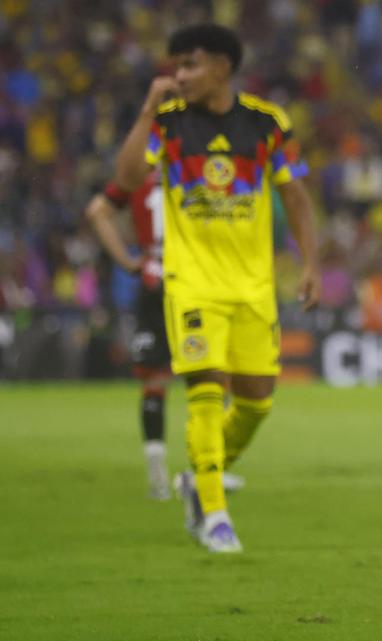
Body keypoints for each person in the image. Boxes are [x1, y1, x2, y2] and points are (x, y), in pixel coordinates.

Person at [112, 23, 320, 553]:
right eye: (176, 66)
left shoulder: (266, 124)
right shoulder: (168, 124)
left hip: (253, 287)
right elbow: (130, 177)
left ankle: (199, 478)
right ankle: (215, 515)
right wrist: (145, 110)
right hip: (192, 284)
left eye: (190, 64)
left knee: (256, 403)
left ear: (223, 66)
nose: (178, 76)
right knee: (206, 392)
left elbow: (296, 197)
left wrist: (311, 263)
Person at [85, 175, 248, 501]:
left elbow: (97, 212)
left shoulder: (137, 178)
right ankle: (212, 468)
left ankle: (157, 477)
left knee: (154, 382)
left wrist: (129, 259)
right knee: (210, 375)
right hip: (191, 280)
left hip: (152, 281)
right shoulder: (191, 172)